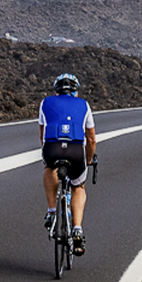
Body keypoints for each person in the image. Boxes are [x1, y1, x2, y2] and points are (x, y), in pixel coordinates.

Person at [40, 72, 96, 256]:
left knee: (49, 168)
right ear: (76, 91)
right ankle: (77, 229)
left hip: (53, 148)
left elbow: (43, 136)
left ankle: (51, 211)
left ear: (56, 91)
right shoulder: (84, 105)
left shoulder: (45, 103)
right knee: (78, 186)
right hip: (75, 151)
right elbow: (91, 139)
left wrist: (48, 158)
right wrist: (88, 159)